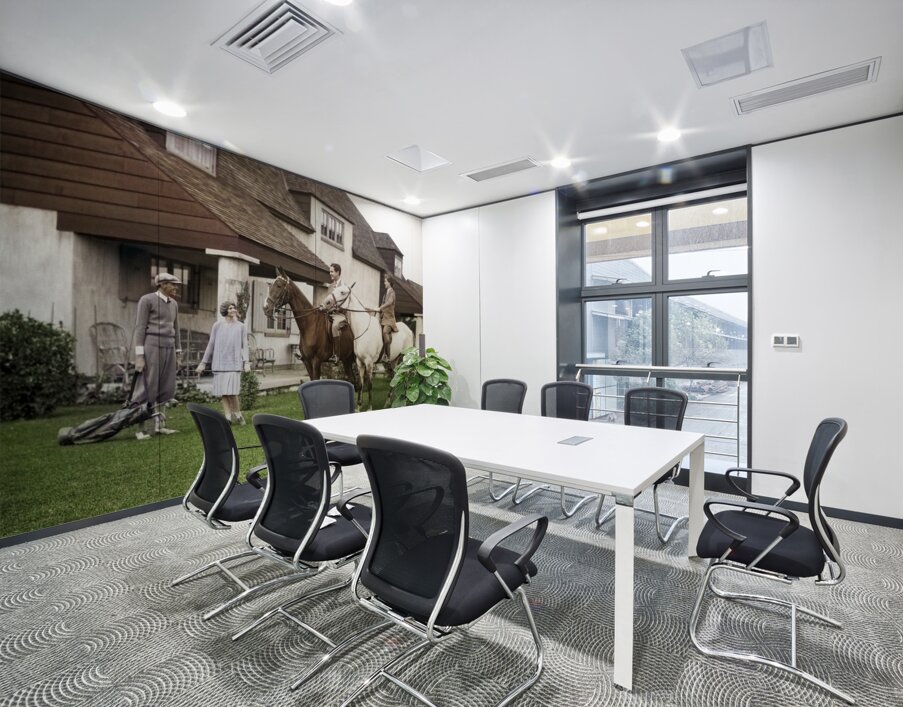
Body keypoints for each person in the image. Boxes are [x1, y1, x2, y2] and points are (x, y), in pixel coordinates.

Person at [133, 272, 182, 440]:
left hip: (169, 346)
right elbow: (140, 328)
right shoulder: (147, 300)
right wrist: (139, 356)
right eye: (172, 284)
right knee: (148, 387)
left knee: (167, 387)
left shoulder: (174, 304)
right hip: (152, 346)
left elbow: (176, 329)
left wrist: (178, 352)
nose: (176, 287)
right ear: (161, 284)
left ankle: (160, 426)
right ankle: (141, 428)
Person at [196, 301, 250, 424]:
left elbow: (244, 346)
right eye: (230, 308)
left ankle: (238, 415)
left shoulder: (241, 327)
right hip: (219, 364)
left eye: (234, 308)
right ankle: (227, 417)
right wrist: (203, 363)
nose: (233, 310)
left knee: (232, 392)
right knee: (223, 393)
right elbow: (211, 345)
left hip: (234, 364)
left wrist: (246, 362)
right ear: (225, 310)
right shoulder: (217, 325)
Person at [370, 272, 398, 362]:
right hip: (383, 319)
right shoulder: (385, 294)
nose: (384, 283)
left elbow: (389, 303)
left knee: (385, 332)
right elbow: (382, 305)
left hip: (389, 320)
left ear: (389, 282)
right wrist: (375, 309)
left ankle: (387, 356)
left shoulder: (392, 293)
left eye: (385, 281)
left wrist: (380, 308)